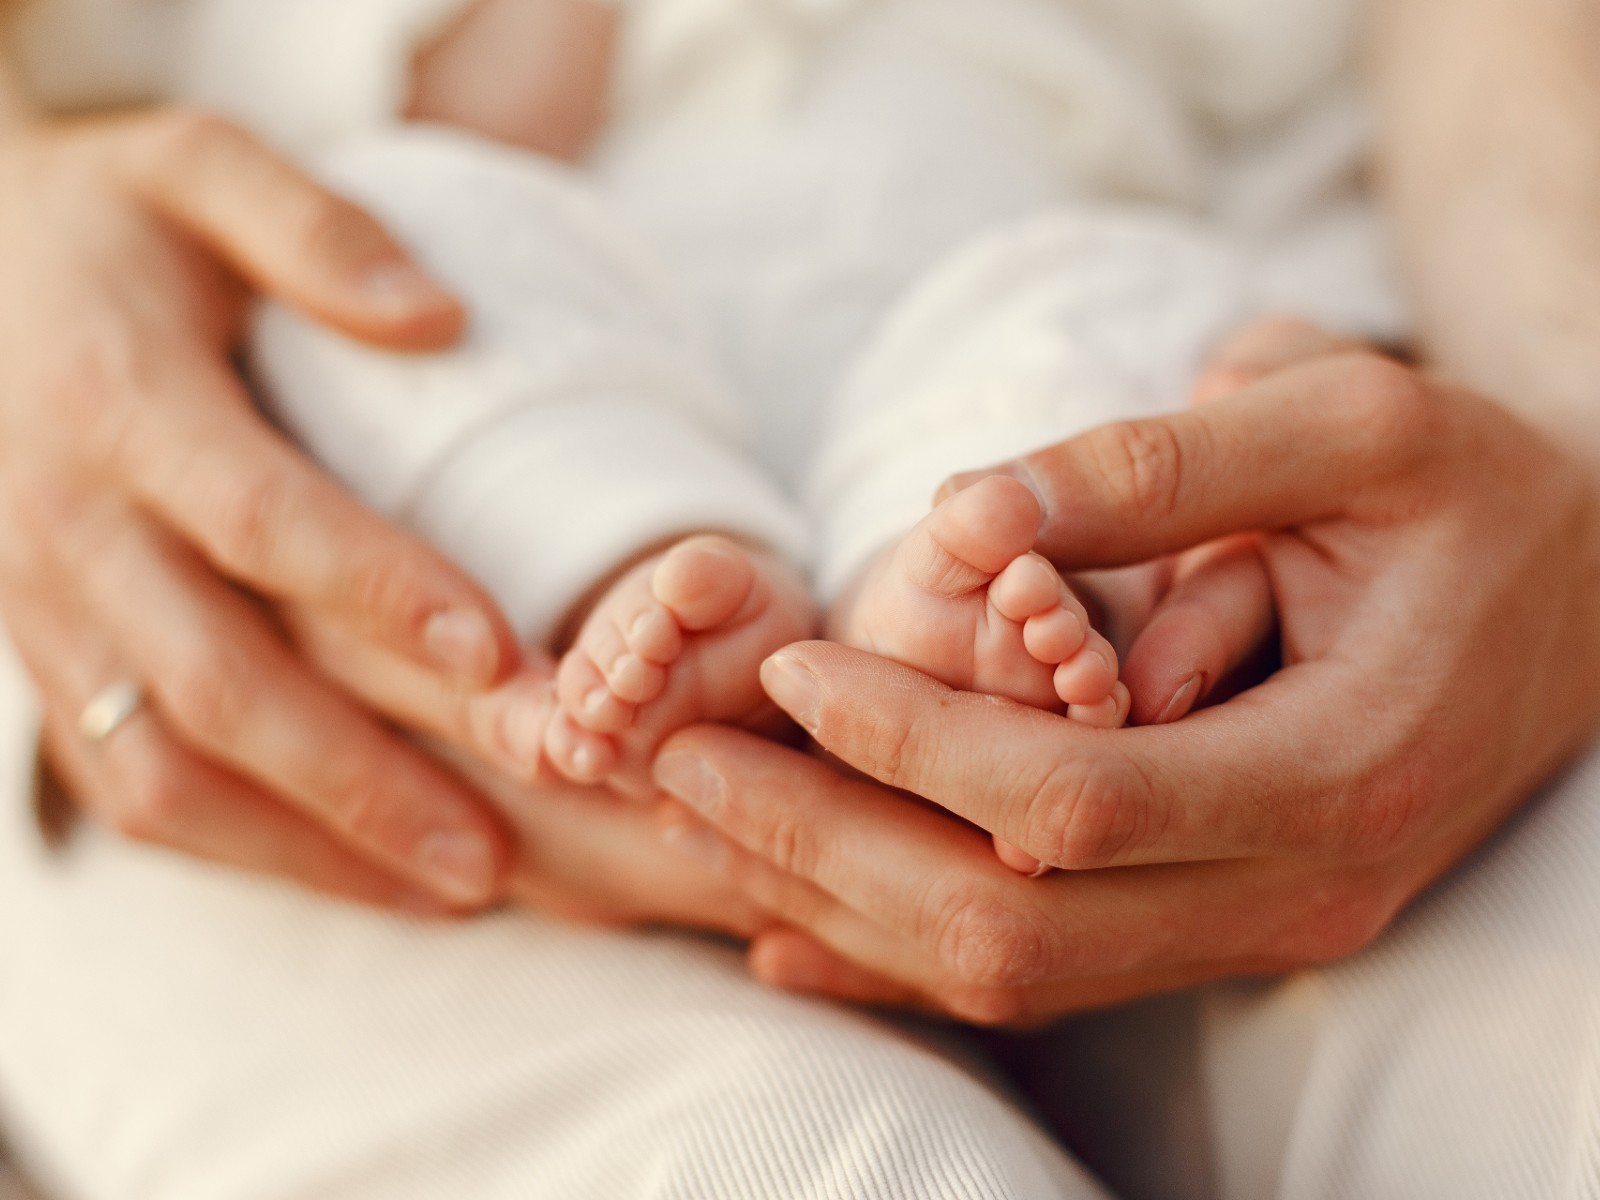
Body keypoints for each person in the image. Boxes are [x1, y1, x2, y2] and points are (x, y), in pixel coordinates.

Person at [0, 2, 1596, 1199]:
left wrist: (1550, 419)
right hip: (467, 345)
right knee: (401, 274)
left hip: (1007, 284)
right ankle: (641, 564)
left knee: (1100, 322)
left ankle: (947, 602)